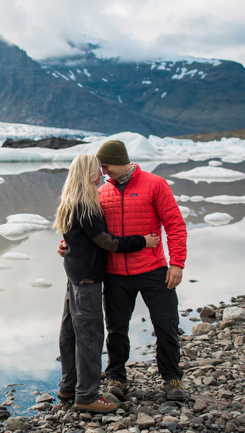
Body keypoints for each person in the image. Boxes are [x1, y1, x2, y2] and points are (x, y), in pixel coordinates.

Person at [58, 139, 188, 401]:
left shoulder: (155, 184)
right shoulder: (102, 192)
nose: (104, 173)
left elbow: (174, 223)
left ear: (119, 160)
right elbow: (88, 228)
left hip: (153, 269)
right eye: (100, 169)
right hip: (115, 273)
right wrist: (66, 243)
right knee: (116, 329)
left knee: (166, 326)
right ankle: (117, 377)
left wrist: (177, 263)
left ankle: (171, 378)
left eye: (105, 167)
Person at [54, 154, 160, 413]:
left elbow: (76, 239)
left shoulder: (69, 201)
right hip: (88, 278)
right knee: (90, 336)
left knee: (70, 332)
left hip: (74, 275)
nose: (101, 174)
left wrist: (67, 247)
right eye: (97, 171)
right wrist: (142, 241)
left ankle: (69, 385)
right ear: (88, 173)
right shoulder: (86, 205)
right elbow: (107, 241)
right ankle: (86, 396)